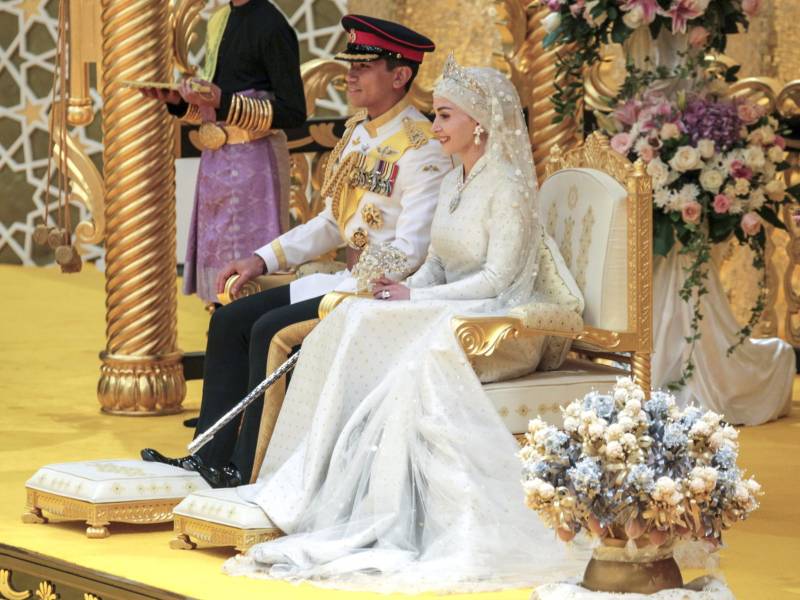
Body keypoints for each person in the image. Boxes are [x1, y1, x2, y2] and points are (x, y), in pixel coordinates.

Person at [221, 57, 587, 593]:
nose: (434, 126)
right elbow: (438, 258)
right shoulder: (458, 178)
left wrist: (417, 295)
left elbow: (497, 278)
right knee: (356, 319)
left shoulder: (505, 185)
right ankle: (307, 483)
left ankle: (381, 505)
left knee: (389, 340)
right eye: (435, 115)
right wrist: (400, 292)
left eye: (444, 116)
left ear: (479, 122)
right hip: (451, 305)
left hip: (500, 323)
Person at [141, 15, 451, 487]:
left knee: (269, 330)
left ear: (400, 75)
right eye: (350, 64)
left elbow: (411, 249)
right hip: (341, 280)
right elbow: (331, 223)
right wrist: (260, 259)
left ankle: (247, 470)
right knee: (228, 320)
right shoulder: (358, 135)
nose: (350, 74)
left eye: (364, 66)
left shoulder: (421, 146)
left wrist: (358, 284)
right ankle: (208, 454)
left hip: (377, 293)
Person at [141, 0, 306, 304]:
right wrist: (177, 101)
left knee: (254, 275)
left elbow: (292, 113)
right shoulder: (218, 20)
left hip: (255, 161)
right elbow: (214, 101)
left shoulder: (273, 26)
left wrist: (224, 101)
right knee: (218, 276)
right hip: (216, 163)